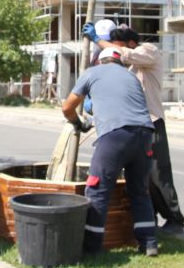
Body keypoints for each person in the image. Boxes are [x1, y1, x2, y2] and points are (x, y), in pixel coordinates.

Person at [83, 22, 184, 235]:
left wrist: (97, 40)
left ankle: (175, 219)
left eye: (117, 45)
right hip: (130, 124)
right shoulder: (129, 67)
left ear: (131, 43)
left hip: (151, 123)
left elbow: (123, 53)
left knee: (158, 175)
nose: (113, 50)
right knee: (141, 178)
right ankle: (150, 220)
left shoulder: (149, 52)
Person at [62, 48, 158, 256]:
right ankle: (149, 243)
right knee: (140, 191)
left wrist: (79, 122)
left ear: (99, 61)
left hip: (115, 136)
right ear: (119, 62)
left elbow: (67, 107)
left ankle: (91, 247)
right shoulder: (131, 76)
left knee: (97, 190)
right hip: (145, 135)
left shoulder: (91, 73)